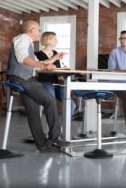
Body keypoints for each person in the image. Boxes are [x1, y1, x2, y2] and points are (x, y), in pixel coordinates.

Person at [7, 20, 68, 152]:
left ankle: (42, 145)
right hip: (22, 79)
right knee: (50, 101)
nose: (40, 32)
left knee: (33, 111)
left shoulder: (28, 42)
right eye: (39, 30)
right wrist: (43, 65)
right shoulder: (23, 38)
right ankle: (55, 137)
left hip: (23, 78)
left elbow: (38, 62)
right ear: (32, 30)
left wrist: (55, 57)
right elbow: (22, 58)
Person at [35, 31, 76, 116]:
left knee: (72, 105)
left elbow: (56, 71)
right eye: (55, 39)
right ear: (48, 40)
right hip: (44, 83)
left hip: (56, 84)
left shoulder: (55, 53)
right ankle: (54, 127)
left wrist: (63, 71)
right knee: (52, 103)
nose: (57, 41)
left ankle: (61, 127)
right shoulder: (37, 54)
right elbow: (38, 68)